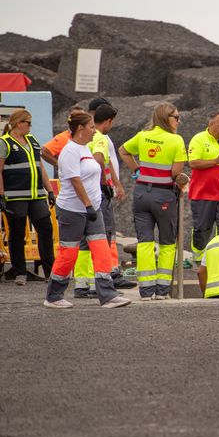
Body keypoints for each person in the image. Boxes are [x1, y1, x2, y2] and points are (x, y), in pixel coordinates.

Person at [43, 112, 130, 309]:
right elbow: (75, 180)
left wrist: (103, 189)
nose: (94, 130)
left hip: (93, 209)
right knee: (69, 253)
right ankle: (53, 296)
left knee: (101, 250)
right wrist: (88, 205)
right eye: (91, 126)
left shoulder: (84, 148)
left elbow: (94, 171)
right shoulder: (70, 151)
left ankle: (108, 295)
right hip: (73, 211)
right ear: (80, 128)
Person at [120, 103, 187, 300]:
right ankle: (161, 290)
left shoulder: (143, 136)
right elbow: (176, 173)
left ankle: (146, 291)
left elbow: (123, 150)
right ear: (167, 118)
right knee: (167, 243)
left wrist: (137, 170)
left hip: (141, 193)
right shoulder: (176, 140)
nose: (179, 120)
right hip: (164, 195)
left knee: (145, 242)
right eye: (176, 117)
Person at [73, 103, 132, 298]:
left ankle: (82, 284)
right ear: (108, 121)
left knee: (83, 242)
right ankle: (98, 283)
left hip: (81, 193)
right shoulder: (99, 138)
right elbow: (99, 160)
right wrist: (105, 182)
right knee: (100, 238)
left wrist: (114, 182)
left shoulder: (76, 141)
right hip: (96, 193)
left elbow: (105, 162)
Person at [0, 109, 55, 284]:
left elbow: (40, 167)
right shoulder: (3, 143)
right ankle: (20, 271)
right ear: (19, 123)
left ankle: (50, 271)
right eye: (28, 123)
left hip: (36, 195)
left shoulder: (32, 141)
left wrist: (49, 190)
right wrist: (1, 195)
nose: (30, 126)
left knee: (46, 230)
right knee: (17, 233)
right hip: (15, 197)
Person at [187, 111, 219, 264]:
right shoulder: (198, 139)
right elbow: (193, 163)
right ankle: (197, 259)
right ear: (212, 124)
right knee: (202, 229)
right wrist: (216, 161)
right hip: (202, 194)